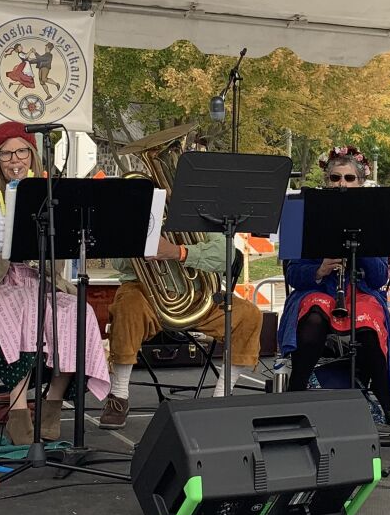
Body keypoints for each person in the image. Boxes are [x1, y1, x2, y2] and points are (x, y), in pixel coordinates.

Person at [0, 121, 109, 446]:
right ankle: (17, 409)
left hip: (41, 281)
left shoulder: (49, 192)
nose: (15, 159)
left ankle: (53, 402)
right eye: (6, 154)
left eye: (21, 152)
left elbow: (61, 261)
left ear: (32, 155)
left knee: (78, 311)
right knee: (23, 309)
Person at [98, 153, 265, 429]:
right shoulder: (135, 207)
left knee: (249, 316)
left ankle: (221, 396)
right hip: (146, 294)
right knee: (127, 306)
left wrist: (177, 251)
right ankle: (119, 394)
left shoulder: (202, 210)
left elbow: (224, 256)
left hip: (197, 297)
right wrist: (136, 236)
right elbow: (117, 262)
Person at [277, 146, 390, 423]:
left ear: (360, 182)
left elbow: (379, 278)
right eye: (335, 178)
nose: (342, 184)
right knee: (313, 319)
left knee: (369, 324)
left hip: (361, 293)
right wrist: (319, 269)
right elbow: (294, 275)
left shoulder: (375, 215)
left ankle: (389, 403)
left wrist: (363, 246)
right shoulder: (307, 213)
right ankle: (294, 396)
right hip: (318, 290)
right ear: (327, 181)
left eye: (349, 179)